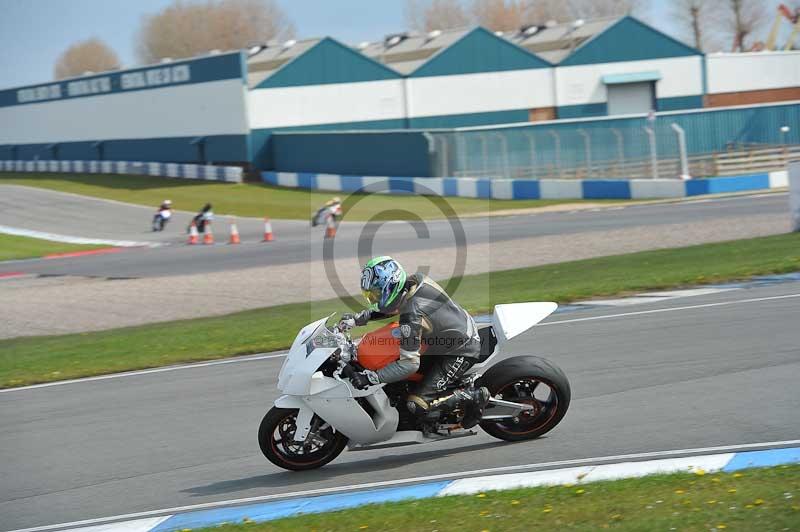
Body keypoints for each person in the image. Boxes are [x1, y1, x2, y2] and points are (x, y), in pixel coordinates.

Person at [340, 256, 489, 427]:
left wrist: (371, 378)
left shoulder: (412, 317)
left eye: (376, 294)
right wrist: (359, 319)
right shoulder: (415, 280)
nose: (373, 299)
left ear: (390, 286)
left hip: (460, 350)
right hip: (450, 332)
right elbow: (394, 305)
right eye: (371, 295)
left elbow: (409, 365)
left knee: (416, 405)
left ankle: (473, 396)